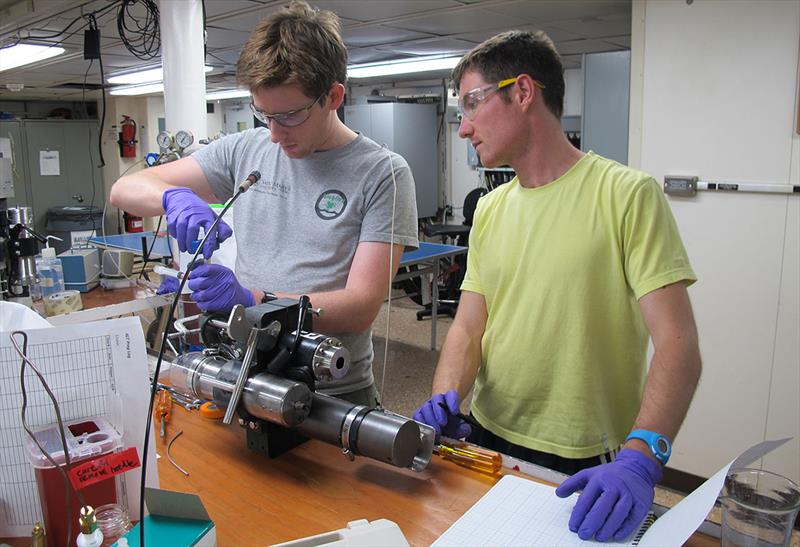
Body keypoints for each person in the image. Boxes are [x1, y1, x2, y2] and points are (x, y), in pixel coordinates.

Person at [413, 30, 701, 543]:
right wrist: (444, 397)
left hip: (588, 457)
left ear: (523, 92)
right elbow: (469, 327)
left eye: (473, 104)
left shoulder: (626, 194)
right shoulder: (492, 208)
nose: (464, 129)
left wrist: (641, 456)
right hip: (487, 435)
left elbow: (679, 346)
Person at [110, 1, 418, 407]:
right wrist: (172, 195)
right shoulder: (246, 150)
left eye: (289, 116)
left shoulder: (383, 173)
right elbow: (125, 189)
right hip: (245, 374)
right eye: (264, 115)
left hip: (330, 389)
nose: (274, 134)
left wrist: (253, 302)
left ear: (333, 96)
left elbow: (360, 307)